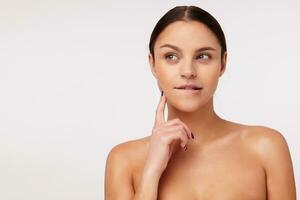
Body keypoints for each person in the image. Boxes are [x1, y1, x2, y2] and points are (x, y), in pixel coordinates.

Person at [104, 5, 296, 200]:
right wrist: (151, 172)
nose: (188, 71)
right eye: (171, 57)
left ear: (223, 63)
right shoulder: (123, 161)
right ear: (152, 64)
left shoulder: (266, 147)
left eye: (203, 56)